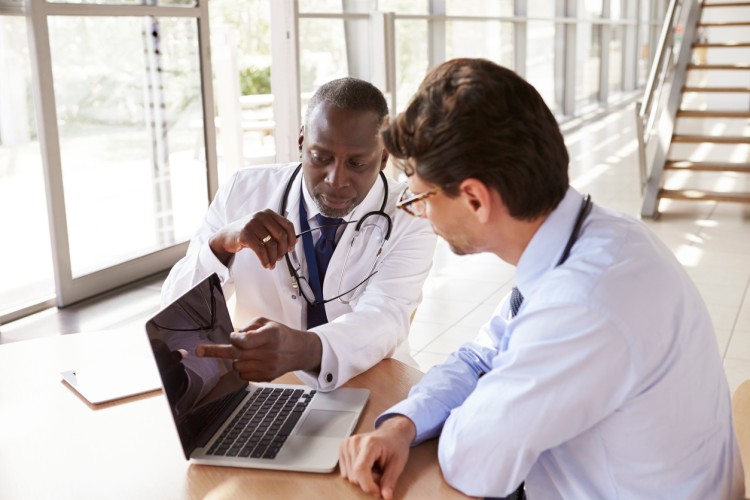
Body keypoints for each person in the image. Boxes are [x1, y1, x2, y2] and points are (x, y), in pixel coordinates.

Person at [339, 58, 744, 499]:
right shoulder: (593, 237)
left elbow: (472, 462)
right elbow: (479, 357)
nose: (420, 212)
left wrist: (481, 404)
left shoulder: (584, 302)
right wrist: (403, 425)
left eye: (420, 198)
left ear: (474, 198)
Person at [161, 77, 436, 391]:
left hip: (368, 379)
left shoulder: (409, 216)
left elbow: (385, 316)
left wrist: (303, 348)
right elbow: (174, 309)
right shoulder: (243, 190)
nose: (336, 179)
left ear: (384, 157)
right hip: (263, 385)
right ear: (302, 142)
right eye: (321, 158)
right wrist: (221, 245)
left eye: (357, 163)